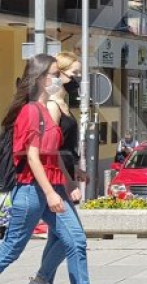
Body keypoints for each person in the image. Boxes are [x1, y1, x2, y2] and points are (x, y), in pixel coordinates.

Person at [0, 54, 89, 283]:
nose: (60, 79)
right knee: (11, 249)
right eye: (55, 74)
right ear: (41, 78)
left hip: (53, 186)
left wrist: (67, 182)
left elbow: (52, 154)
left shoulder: (44, 110)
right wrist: (50, 193)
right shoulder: (31, 110)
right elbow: (32, 157)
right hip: (31, 191)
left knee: (77, 241)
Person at [31, 52, 90, 284]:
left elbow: (64, 145)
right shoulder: (53, 106)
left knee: (58, 236)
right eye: (74, 73)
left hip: (63, 172)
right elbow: (51, 149)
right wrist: (69, 181)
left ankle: (43, 279)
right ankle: (42, 278)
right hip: (56, 176)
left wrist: (76, 169)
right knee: (75, 238)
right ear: (59, 74)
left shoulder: (64, 104)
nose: (77, 78)